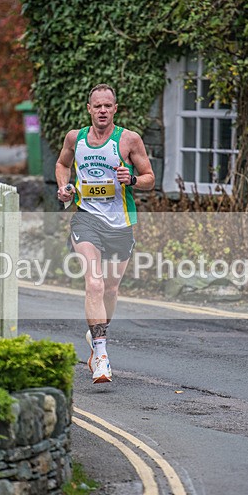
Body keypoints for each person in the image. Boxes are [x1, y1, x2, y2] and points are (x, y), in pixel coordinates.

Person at [55, 83, 155, 383]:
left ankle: (96, 334)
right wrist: (64, 187)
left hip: (120, 224)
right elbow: (62, 164)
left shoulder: (129, 140)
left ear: (115, 109)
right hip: (86, 220)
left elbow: (150, 178)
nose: (102, 110)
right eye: (97, 106)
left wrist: (132, 179)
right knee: (95, 284)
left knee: (110, 290)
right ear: (89, 109)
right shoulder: (75, 138)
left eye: (107, 106)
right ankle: (101, 356)